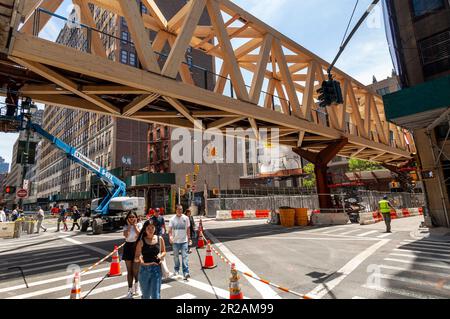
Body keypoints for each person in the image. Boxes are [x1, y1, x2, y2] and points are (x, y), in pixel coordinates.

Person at [135, 220, 166, 299]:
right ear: (145, 229)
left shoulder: (160, 239)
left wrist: (160, 255)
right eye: (148, 228)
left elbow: (164, 251)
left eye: (152, 227)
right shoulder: (141, 241)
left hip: (156, 270)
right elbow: (136, 257)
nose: (151, 229)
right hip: (144, 270)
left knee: (156, 295)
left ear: (155, 228)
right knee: (146, 296)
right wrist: (140, 260)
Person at [122, 211, 143, 298]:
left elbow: (139, 235)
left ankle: (137, 287)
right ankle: (130, 290)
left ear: (136, 217)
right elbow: (126, 236)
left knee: (135, 270)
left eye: (133, 217)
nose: (131, 218)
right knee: (129, 270)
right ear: (127, 218)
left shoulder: (139, 225)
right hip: (127, 247)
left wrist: (134, 225)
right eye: (130, 217)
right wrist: (130, 227)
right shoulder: (125, 226)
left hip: (136, 247)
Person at [168, 204, 192, 280]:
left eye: (181, 209)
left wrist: (189, 238)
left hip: (184, 241)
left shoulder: (186, 218)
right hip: (175, 242)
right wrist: (170, 237)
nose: (180, 210)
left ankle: (186, 272)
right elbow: (170, 230)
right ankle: (176, 270)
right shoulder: (172, 219)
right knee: (176, 257)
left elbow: (188, 229)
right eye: (178, 209)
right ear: (176, 210)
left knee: (185, 257)